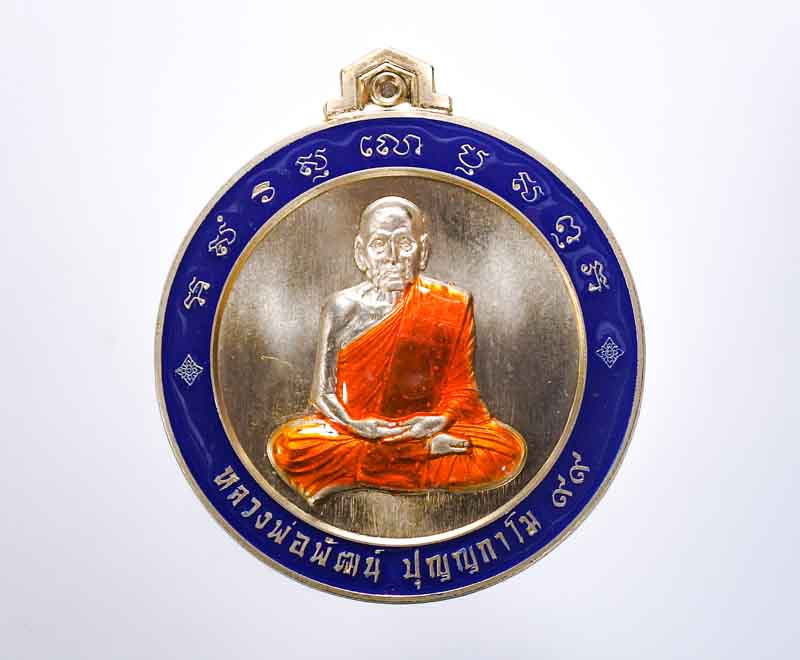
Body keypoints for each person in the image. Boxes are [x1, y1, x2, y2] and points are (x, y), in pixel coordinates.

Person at [267, 196, 526, 502]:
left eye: (404, 243)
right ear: (361, 253)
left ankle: (380, 462)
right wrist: (356, 425)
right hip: (358, 430)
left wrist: (438, 420)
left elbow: (462, 389)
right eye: (379, 244)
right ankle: (418, 455)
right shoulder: (341, 308)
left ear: (422, 251)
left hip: (425, 427)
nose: (392, 257)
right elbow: (322, 394)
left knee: (505, 449)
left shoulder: (452, 304)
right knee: (290, 445)